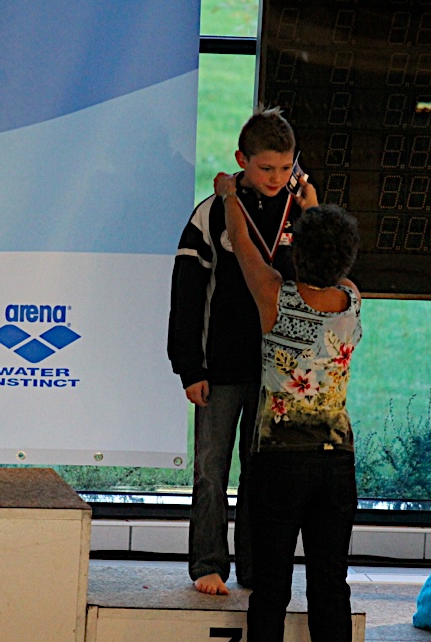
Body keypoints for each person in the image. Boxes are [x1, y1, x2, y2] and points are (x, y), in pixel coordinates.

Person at [215, 168, 362, 642]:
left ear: (296, 251)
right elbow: (327, 258)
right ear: (345, 259)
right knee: (330, 586)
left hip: (277, 464)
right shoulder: (351, 301)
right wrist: (310, 207)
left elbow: (243, 246)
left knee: (271, 588)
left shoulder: (275, 297)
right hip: (336, 465)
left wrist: (230, 196)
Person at [168, 107, 305, 595]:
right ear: (241, 160)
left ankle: (254, 564)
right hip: (219, 369)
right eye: (266, 167)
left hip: (277, 372)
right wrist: (189, 367)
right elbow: (187, 295)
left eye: (285, 168)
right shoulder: (212, 212)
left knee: (262, 474)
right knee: (211, 471)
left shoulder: (300, 213)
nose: (276, 178)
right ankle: (207, 563)